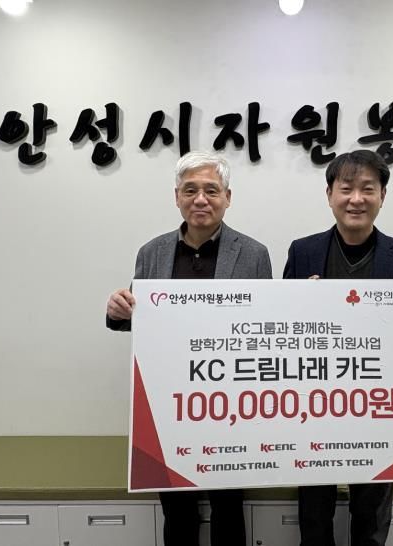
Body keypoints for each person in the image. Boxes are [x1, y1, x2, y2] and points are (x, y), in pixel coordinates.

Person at [283, 150, 393, 546]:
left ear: (382, 196)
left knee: (371, 523)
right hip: (314, 412)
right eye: (346, 189)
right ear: (329, 194)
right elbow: (283, 339)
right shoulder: (302, 252)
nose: (356, 199)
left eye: (367, 189)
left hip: (380, 410)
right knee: (314, 520)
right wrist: (300, 306)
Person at [106, 150, 272, 546]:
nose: (201, 199)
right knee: (177, 510)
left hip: (231, 405)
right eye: (190, 190)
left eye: (211, 190)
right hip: (170, 404)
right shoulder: (152, 252)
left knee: (228, 508)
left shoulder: (254, 254)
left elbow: (266, 328)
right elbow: (140, 319)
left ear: (227, 198)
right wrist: (117, 311)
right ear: (177, 197)